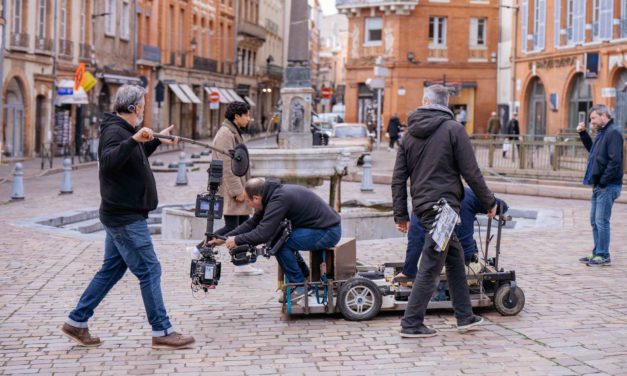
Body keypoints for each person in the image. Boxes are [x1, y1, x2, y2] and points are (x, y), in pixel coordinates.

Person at [61, 85, 195, 349]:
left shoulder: (123, 132)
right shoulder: (115, 132)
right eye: (143, 105)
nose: (143, 109)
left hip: (120, 214)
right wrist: (134, 140)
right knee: (150, 269)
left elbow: (133, 155)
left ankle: (76, 322)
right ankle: (162, 330)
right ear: (136, 108)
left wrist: (156, 139)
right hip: (125, 217)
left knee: (112, 269)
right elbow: (110, 161)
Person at [391, 84, 497, 338]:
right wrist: (490, 201)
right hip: (445, 210)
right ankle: (411, 323)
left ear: (425, 101)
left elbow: (398, 178)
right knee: (430, 265)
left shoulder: (408, 135)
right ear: (446, 104)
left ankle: (464, 316)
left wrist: (401, 215)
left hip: (425, 207)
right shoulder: (454, 129)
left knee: (454, 259)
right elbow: (471, 172)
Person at [210, 178, 342, 299]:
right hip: (320, 228)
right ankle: (305, 277)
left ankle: (300, 285)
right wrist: (224, 238)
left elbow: (263, 233)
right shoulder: (270, 195)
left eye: (248, 202)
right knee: (282, 242)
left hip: (327, 231)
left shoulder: (278, 200)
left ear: (256, 198)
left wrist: (237, 240)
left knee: (281, 245)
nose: (249, 205)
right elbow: (253, 223)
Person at [397, 187, 508, 280]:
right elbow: (503, 206)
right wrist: (491, 206)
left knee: (424, 261)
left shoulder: (423, 200)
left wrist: (408, 272)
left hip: (435, 265)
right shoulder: (468, 194)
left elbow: (415, 240)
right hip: (467, 265)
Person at [213, 101, 263, 276]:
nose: (249, 118)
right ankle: (202, 248)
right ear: (237, 116)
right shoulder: (226, 134)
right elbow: (227, 165)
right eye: (246, 115)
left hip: (240, 188)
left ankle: (241, 264)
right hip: (232, 191)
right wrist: (237, 191)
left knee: (241, 226)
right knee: (233, 227)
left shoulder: (233, 132)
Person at [576, 104, 623, 267]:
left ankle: (603, 255)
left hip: (607, 185)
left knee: (601, 221)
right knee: (594, 220)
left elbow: (615, 161)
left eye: (594, 118)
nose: (592, 122)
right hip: (599, 184)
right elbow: (593, 151)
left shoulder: (613, 133)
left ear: (604, 115)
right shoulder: (603, 133)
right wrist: (583, 134)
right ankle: (597, 251)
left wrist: (603, 181)